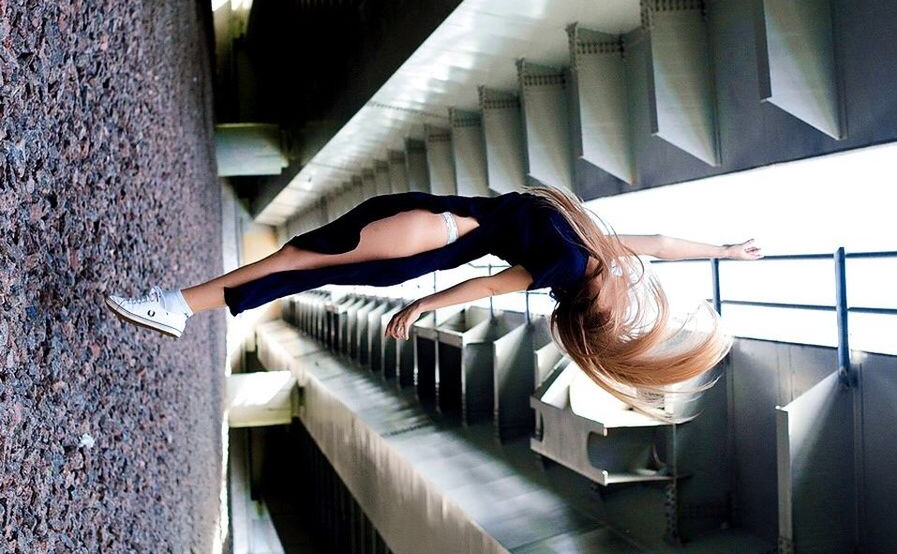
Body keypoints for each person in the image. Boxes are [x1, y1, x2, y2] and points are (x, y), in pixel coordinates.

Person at [104, 187, 762, 412]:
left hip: (438, 234)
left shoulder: (564, 266)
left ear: (597, 309)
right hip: (435, 228)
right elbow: (666, 242)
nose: (632, 296)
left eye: (619, 318)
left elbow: (484, 285)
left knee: (295, 261)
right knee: (295, 263)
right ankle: (177, 307)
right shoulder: (595, 248)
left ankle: (175, 306)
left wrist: (423, 307)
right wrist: (725, 252)